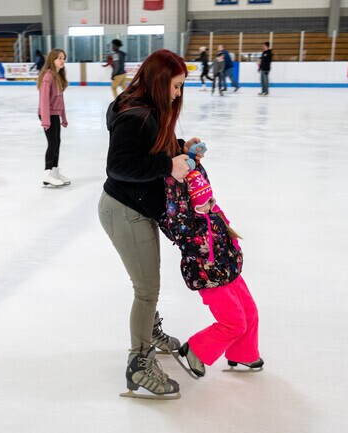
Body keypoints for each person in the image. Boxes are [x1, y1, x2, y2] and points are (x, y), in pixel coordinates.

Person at [98, 49, 204, 400]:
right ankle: (139, 363)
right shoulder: (137, 116)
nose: (178, 93)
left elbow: (154, 147)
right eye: (175, 86)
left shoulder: (150, 110)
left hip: (136, 209)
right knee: (147, 289)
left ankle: (149, 332)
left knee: (148, 283)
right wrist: (166, 167)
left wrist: (180, 148)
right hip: (124, 211)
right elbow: (119, 166)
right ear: (160, 82)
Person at [158, 164, 263, 378]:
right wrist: (174, 178)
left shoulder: (212, 210)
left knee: (250, 313)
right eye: (202, 204)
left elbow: (198, 180)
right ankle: (195, 349)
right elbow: (176, 203)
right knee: (233, 323)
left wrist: (193, 161)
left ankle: (243, 353)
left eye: (210, 201)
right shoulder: (185, 224)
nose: (208, 206)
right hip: (209, 278)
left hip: (229, 270)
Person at [37, 48, 70, 187]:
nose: (62, 61)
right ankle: (47, 173)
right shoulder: (48, 76)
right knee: (52, 143)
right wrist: (45, 120)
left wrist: (63, 117)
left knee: (57, 142)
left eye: (63, 58)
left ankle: (55, 172)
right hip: (47, 114)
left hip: (54, 114)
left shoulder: (57, 76)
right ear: (52, 60)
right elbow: (44, 100)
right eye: (59, 58)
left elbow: (60, 100)